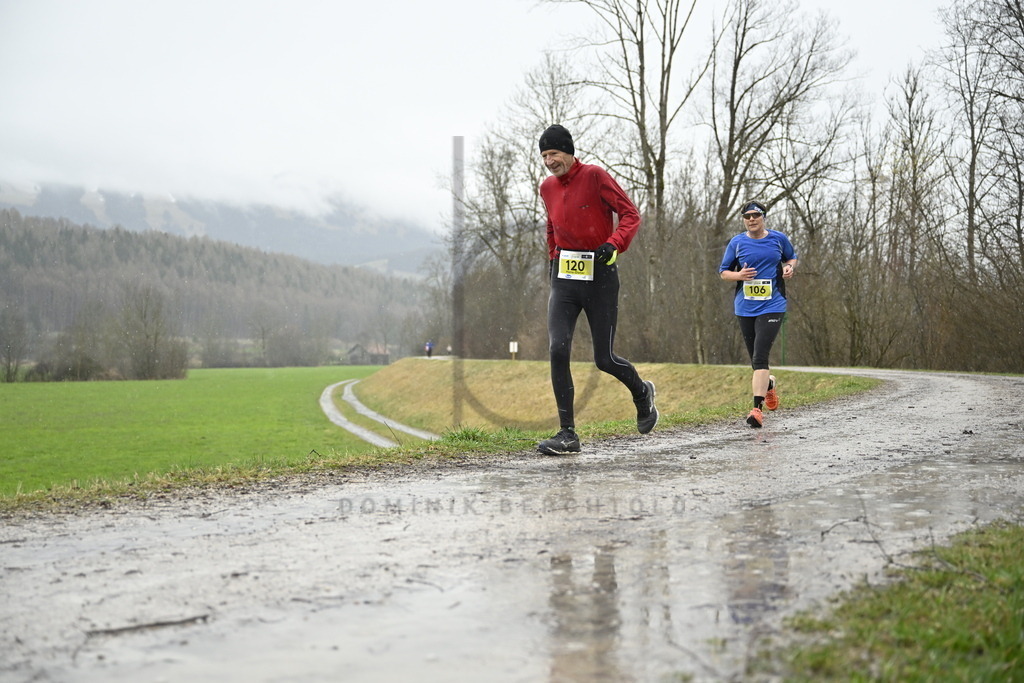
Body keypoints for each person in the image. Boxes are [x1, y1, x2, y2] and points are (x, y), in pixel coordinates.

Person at [535, 124, 658, 455]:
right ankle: (567, 433)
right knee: (558, 349)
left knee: (604, 358)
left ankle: (642, 392)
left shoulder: (595, 176)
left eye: (554, 154)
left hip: (600, 275)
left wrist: (613, 243)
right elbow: (551, 224)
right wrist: (552, 260)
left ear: (569, 151)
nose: (549, 161)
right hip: (565, 275)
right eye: (544, 155)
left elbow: (630, 215)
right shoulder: (546, 187)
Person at [718, 201, 798, 428]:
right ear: (743, 219)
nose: (751, 219)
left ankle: (756, 410)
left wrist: (789, 267)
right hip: (745, 306)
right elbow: (723, 273)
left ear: (763, 217)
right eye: (747, 216)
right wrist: (739, 275)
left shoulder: (778, 239)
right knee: (755, 359)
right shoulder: (737, 242)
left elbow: (791, 257)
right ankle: (769, 385)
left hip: (773, 304)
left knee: (760, 356)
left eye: (756, 215)